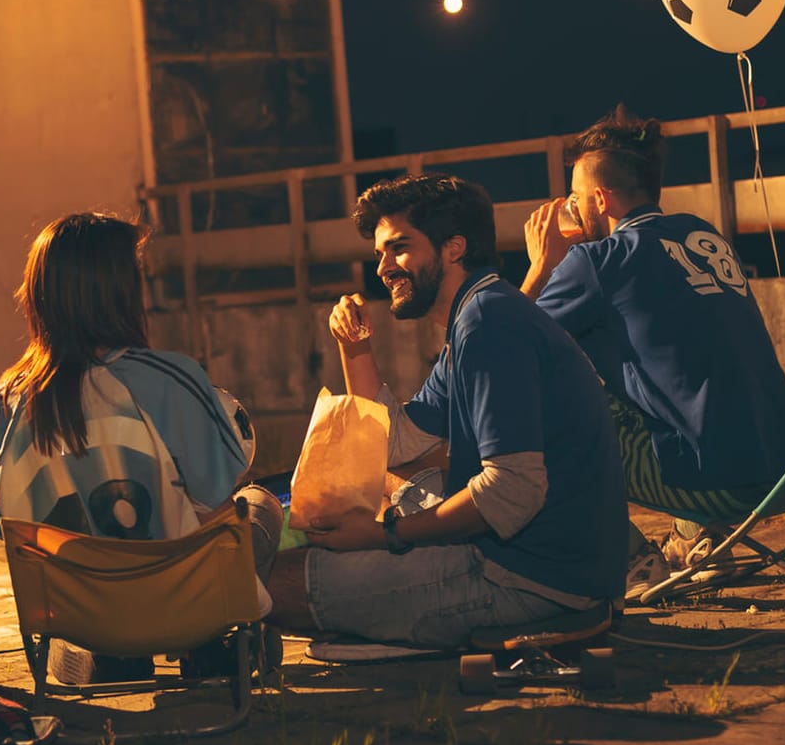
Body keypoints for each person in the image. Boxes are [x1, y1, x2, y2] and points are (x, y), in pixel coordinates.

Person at [267, 174, 626, 646]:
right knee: (398, 488)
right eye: (379, 253)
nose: (383, 268)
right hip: (554, 569)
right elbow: (395, 444)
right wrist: (355, 349)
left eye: (398, 248)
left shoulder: (487, 323)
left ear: (454, 248)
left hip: (532, 581)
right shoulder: (478, 314)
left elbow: (512, 492)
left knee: (270, 584)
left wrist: (384, 535)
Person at [0, 213, 282, 683]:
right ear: (118, 290)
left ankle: (101, 655)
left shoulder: (9, 398)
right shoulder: (167, 376)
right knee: (258, 504)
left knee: (75, 616)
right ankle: (210, 645)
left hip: (78, 614)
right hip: (181, 604)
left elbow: (0, 523)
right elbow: (218, 492)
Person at [520, 107, 785, 590]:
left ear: (599, 199)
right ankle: (700, 536)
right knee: (637, 382)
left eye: (574, 199)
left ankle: (635, 559)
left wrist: (539, 267)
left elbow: (499, 346)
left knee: (546, 413)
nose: (570, 209)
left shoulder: (598, 260)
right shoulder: (702, 233)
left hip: (720, 484)